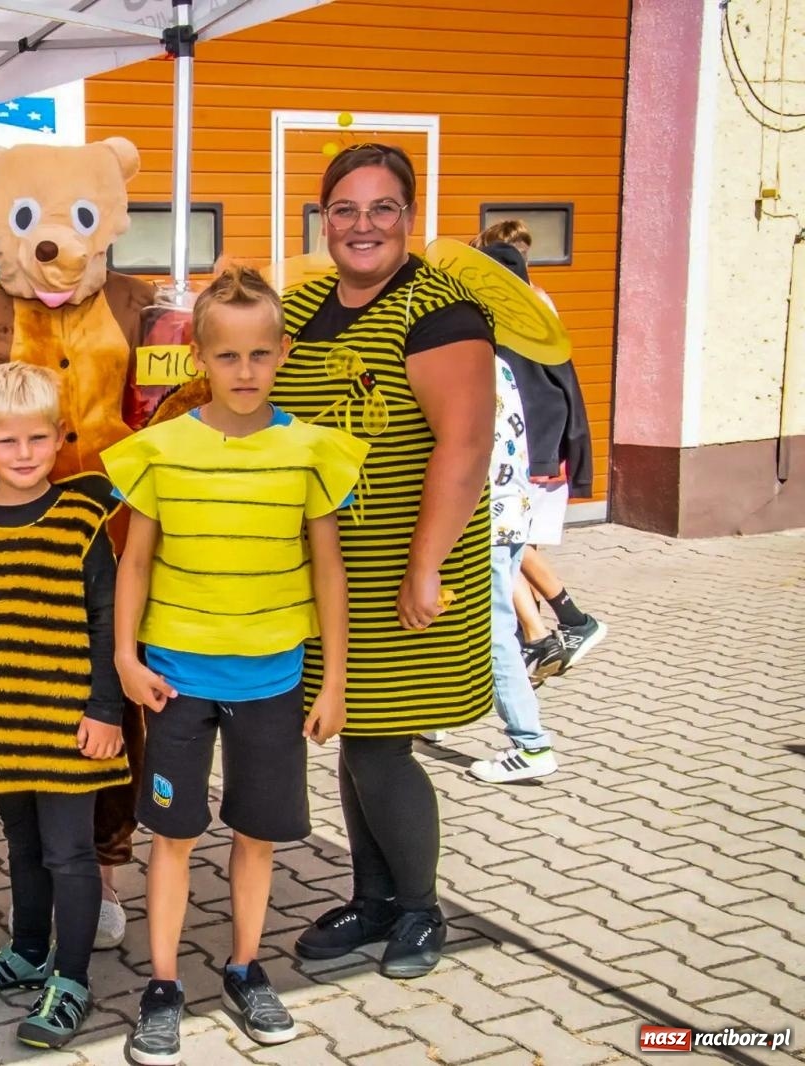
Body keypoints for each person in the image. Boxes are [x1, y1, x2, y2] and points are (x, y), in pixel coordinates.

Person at [105, 266, 364, 1065]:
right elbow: (136, 563)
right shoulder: (160, 451)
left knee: (257, 835)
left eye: (259, 354)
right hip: (176, 680)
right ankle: (161, 985)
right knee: (173, 837)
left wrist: (336, 682)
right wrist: (124, 655)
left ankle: (246, 967)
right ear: (199, 361)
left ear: (282, 352)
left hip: (273, 683)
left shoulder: (309, 453)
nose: (244, 372)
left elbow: (329, 571)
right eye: (227, 356)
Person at [277, 144, 495, 981]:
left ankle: (418, 909)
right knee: (350, 733)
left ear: (410, 218)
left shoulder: (439, 311)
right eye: (345, 209)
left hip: (406, 566)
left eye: (383, 209)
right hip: (329, 572)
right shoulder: (302, 307)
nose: (362, 225)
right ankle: (372, 901)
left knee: (378, 746)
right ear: (322, 219)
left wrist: (426, 564)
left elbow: (465, 443)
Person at [0, 364, 129, 1050]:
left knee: (70, 853)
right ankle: (25, 952)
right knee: (21, 844)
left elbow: (108, 619)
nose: (24, 454)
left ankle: (70, 978)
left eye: (37, 440)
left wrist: (106, 710)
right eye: (8, 441)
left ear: (59, 439)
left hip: (70, 719)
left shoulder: (82, 515)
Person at [476, 242, 606, 683]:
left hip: (528, 463)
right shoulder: (531, 323)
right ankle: (547, 630)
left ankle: (556, 628)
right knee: (509, 547)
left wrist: (565, 459)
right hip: (535, 461)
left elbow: (564, 395)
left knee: (503, 544)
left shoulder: (517, 330)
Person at [469, 351, 558, 783]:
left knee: (496, 632)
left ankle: (531, 743)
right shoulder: (496, 360)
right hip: (511, 512)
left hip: (484, 518)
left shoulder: (462, 362)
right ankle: (433, 715)